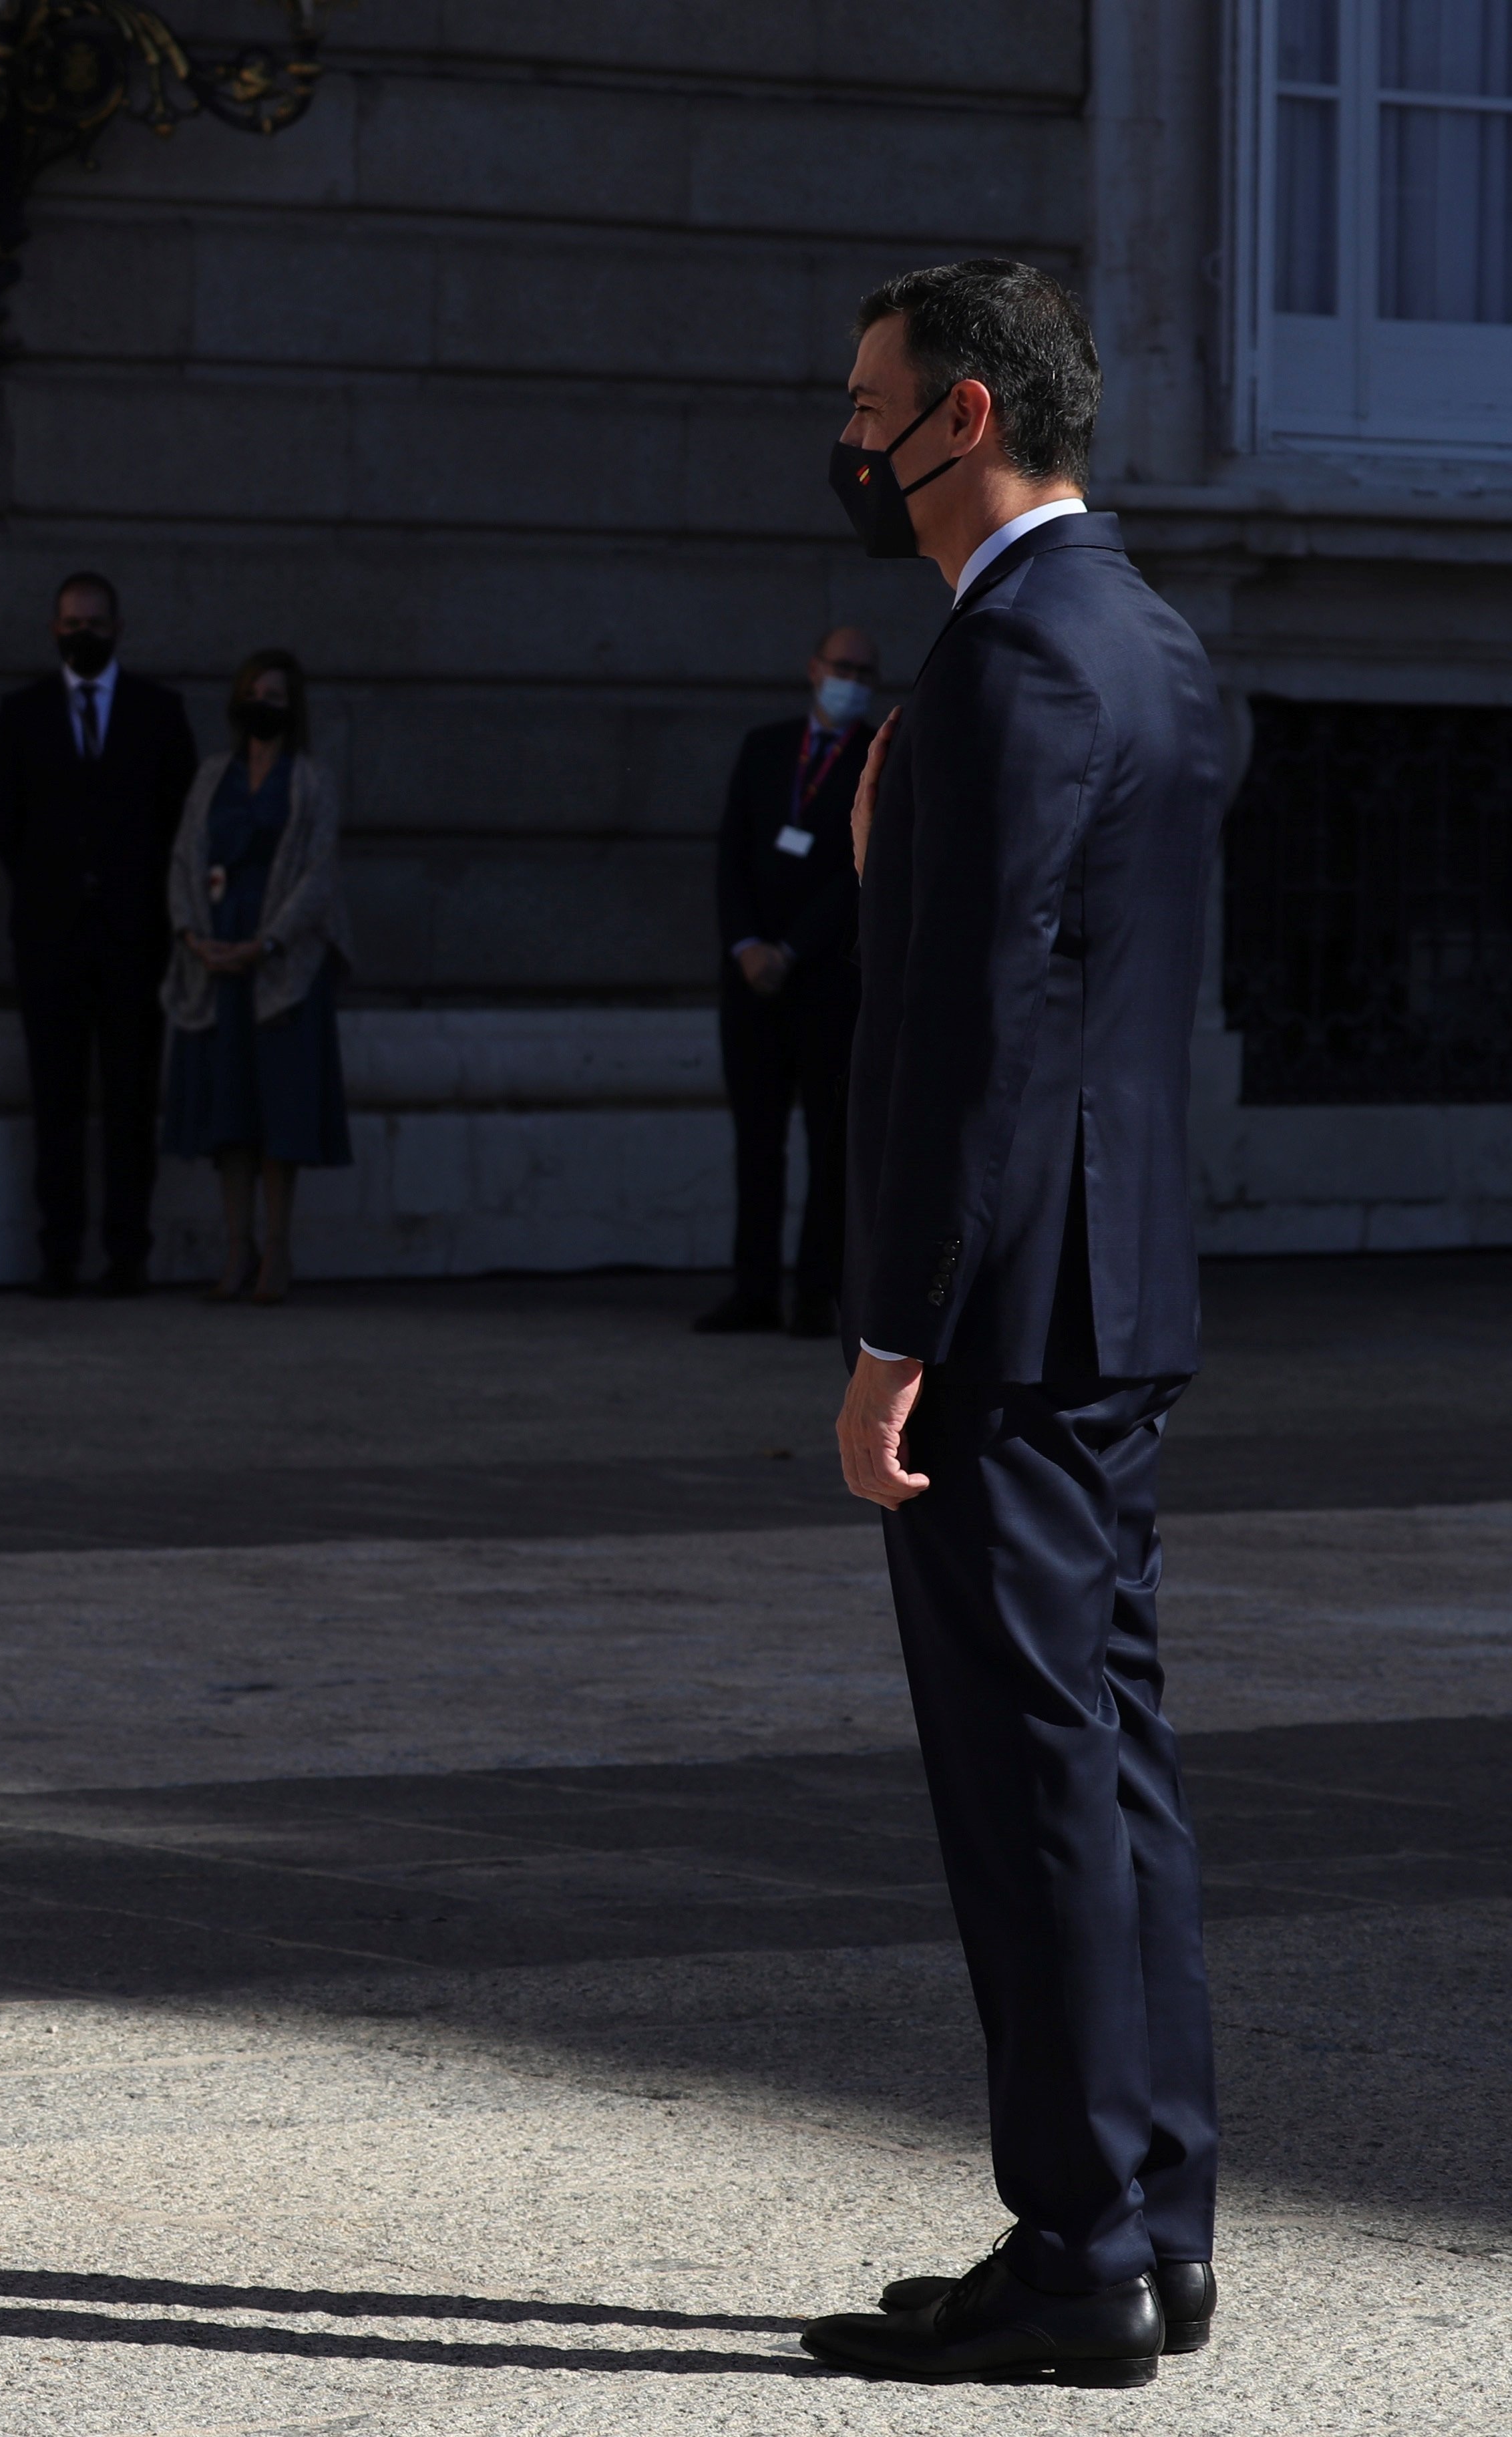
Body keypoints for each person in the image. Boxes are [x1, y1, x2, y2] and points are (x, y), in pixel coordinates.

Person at [801, 260, 1228, 2388]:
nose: (850, 439)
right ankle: (1155, 2221)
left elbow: (979, 1038)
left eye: (871, 404)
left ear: (963, 414)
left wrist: (895, 1329)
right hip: (1117, 1287)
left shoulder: (1005, 668)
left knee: (1032, 1776)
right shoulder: (1142, 633)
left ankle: (1076, 2255)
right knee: (1114, 1760)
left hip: (1011, 1316)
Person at [0, 573, 200, 1295]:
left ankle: (128, 1252)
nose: (84, 633)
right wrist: (52, 890)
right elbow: (2, 822)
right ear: (53, 628)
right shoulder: (22, 714)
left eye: (96, 622)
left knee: (133, 1101)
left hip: (134, 939)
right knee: (58, 1103)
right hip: (50, 941)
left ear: (119, 628)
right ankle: (60, 1252)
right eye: (72, 621)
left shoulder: (159, 714)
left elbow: (182, 825)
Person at [695, 627, 875, 1339]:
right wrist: (746, 947)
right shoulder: (767, 748)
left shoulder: (874, 758)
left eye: (865, 670)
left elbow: (856, 872)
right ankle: (753, 1289)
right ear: (814, 669)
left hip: (825, 980)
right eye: (842, 666)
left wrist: (791, 949)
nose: (851, 679)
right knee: (756, 1142)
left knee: (828, 1145)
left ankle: (814, 1293)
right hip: (752, 984)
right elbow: (731, 854)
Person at [158, 648, 351, 1303]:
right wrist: (193, 936)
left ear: (293, 706)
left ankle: (278, 1249)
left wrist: (266, 943)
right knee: (230, 1110)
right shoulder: (214, 774)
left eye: (274, 694)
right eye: (251, 692)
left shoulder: (312, 779)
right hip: (215, 957)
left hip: (280, 964)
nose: (262, 704)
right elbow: (185, 857)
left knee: (279, 1108)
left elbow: (318, 875)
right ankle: (235, 1249)